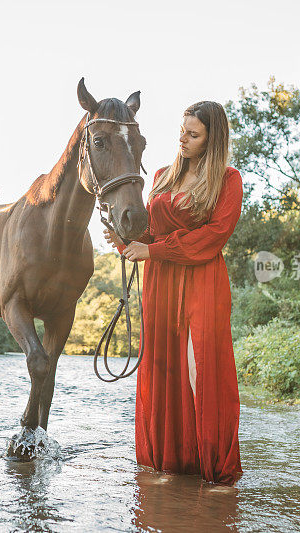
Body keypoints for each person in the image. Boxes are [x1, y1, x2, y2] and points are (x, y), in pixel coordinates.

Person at [104, 100, 244, 485]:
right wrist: (124, 241)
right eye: (182, 131)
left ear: (212, 139)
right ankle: (170, 466)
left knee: (199, 369)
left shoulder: (228, 180)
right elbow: (148, 236)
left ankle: (215, 472)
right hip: (161, 282)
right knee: (165, 370)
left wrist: (154, 250)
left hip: (203, 279)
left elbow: (213, 237)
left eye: (193, 134)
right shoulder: (162, 176)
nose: (183, 139)